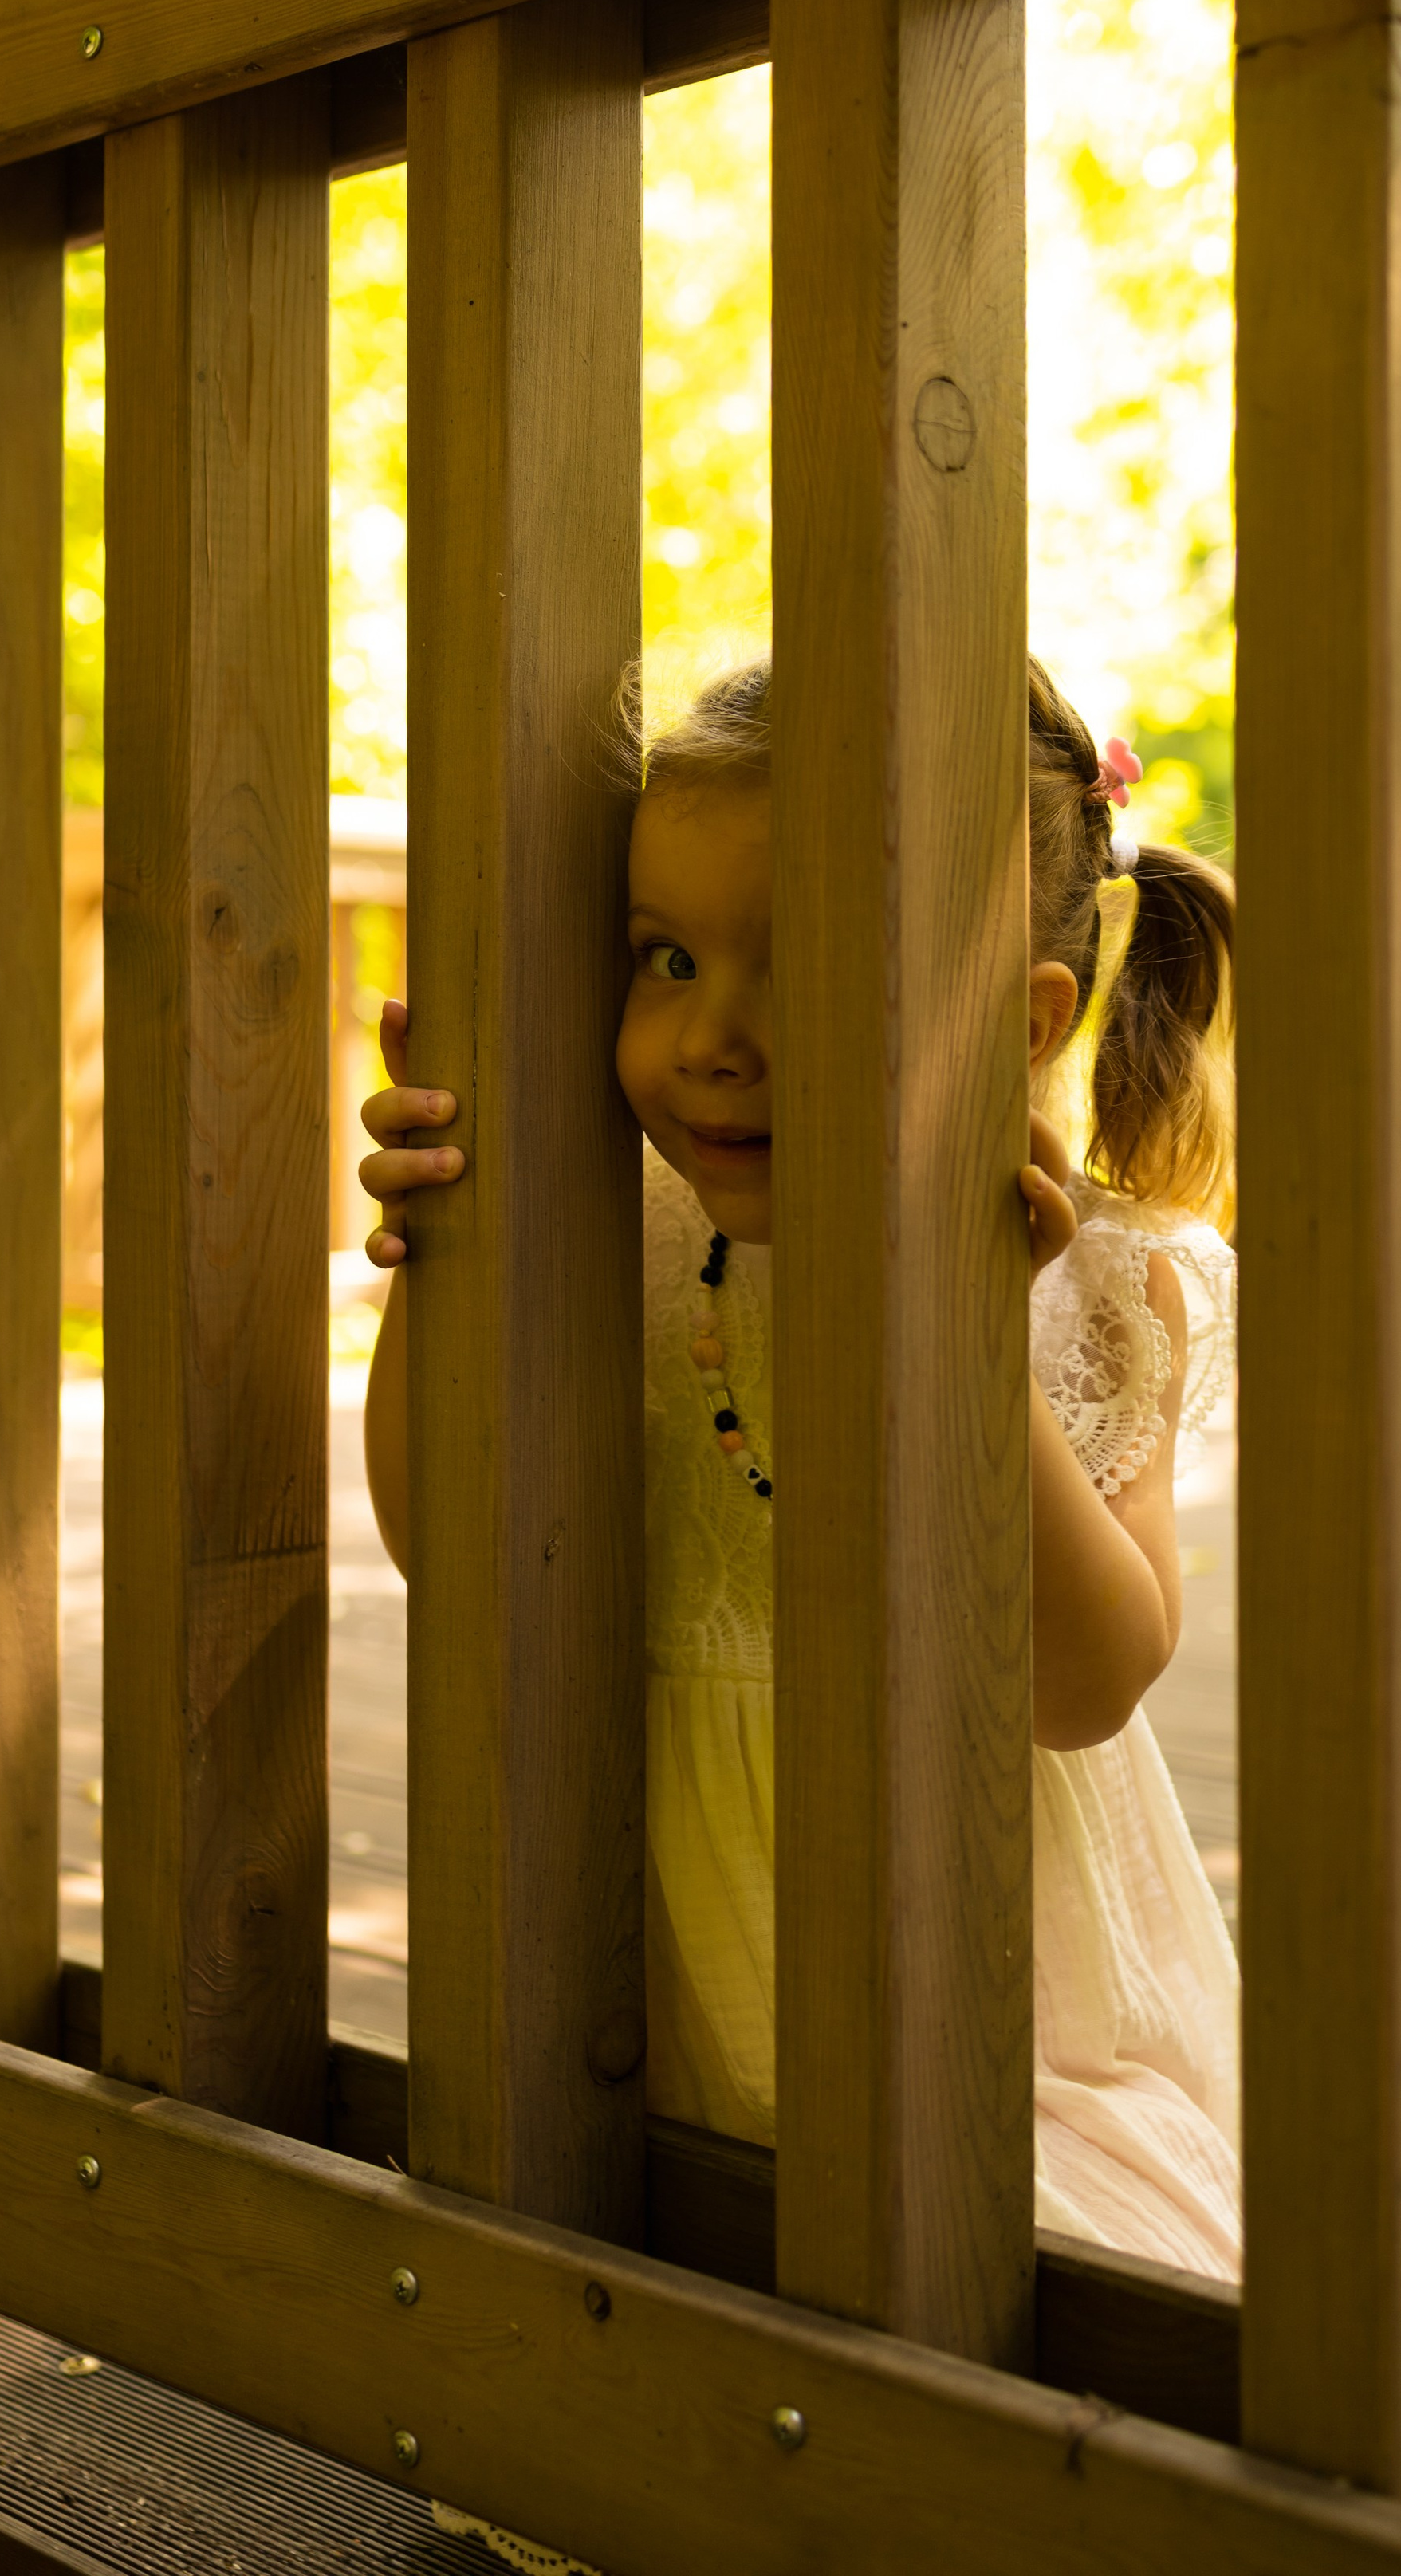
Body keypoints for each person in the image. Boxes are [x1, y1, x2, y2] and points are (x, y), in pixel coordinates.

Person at [361, 656, 1240, 2279]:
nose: (711, 1038)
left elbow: (1081, 1683)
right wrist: (447, 1257)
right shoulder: (611, 1236)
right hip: (656, 1999)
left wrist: (962, 1338)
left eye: (804, 969)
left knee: (1036, 2309)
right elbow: (446, 1546)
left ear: (1014, 1019)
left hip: (981, 2003)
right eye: (664, 960)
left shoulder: (1097, 1282)